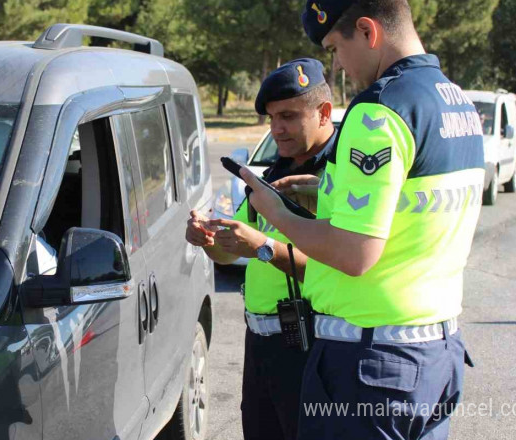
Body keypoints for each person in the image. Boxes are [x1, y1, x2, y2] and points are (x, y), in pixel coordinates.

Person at [240, 2, 485, 439]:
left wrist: (275, 212)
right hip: (435, 354)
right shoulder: (456, 102)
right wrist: (324, 193)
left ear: (368, 31)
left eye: (336, 47)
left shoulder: (379, 108)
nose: (338, 64)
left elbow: (355, 253)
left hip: (370, 367)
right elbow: (412, 204)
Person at [186, 58, 337, 440]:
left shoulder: (341, 176)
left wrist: (265, 248)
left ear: (323, 113)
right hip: (264, 346)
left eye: (287, 116)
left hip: (318, 346)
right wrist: (210, 242)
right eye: (271, 118)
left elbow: (339, 265)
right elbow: (234, 251)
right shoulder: (269, 176)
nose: (277, 129)